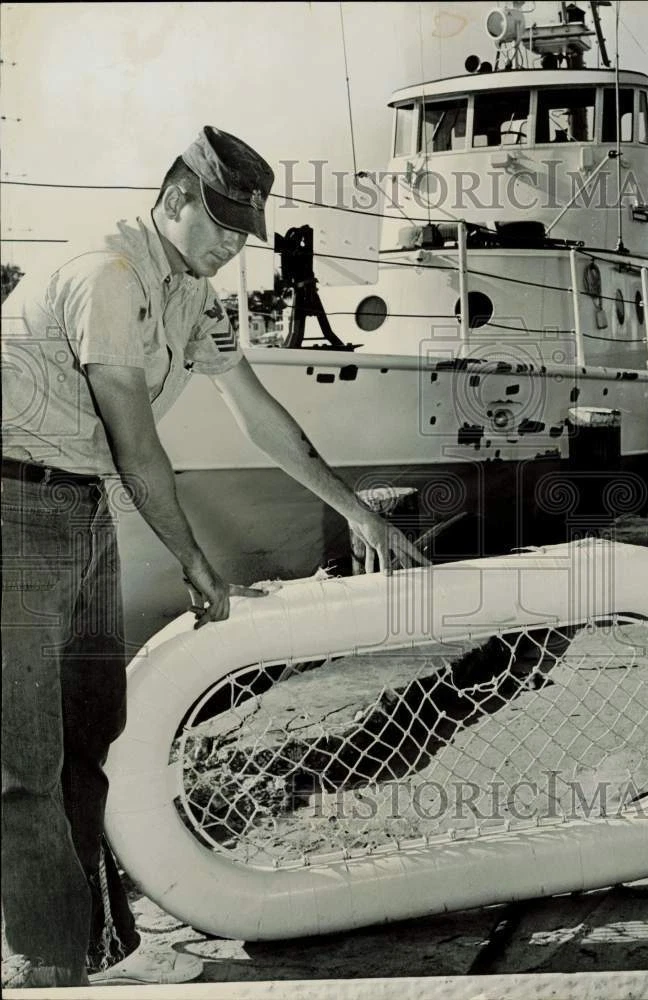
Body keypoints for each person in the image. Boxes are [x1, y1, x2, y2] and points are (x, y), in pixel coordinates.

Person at [1, 125, 426, 988]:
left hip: (79, 509)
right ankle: (44, 968)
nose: (234, 246)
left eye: (245, 232)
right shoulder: (108, 274)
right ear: (174, 199)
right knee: (23, 763)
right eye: (223, 225)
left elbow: (257, 414)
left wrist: (359, 514)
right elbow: (136, 444)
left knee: (89, 737)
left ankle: (86, 946)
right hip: (12, 507)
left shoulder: (191, 293)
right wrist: (194, 559)